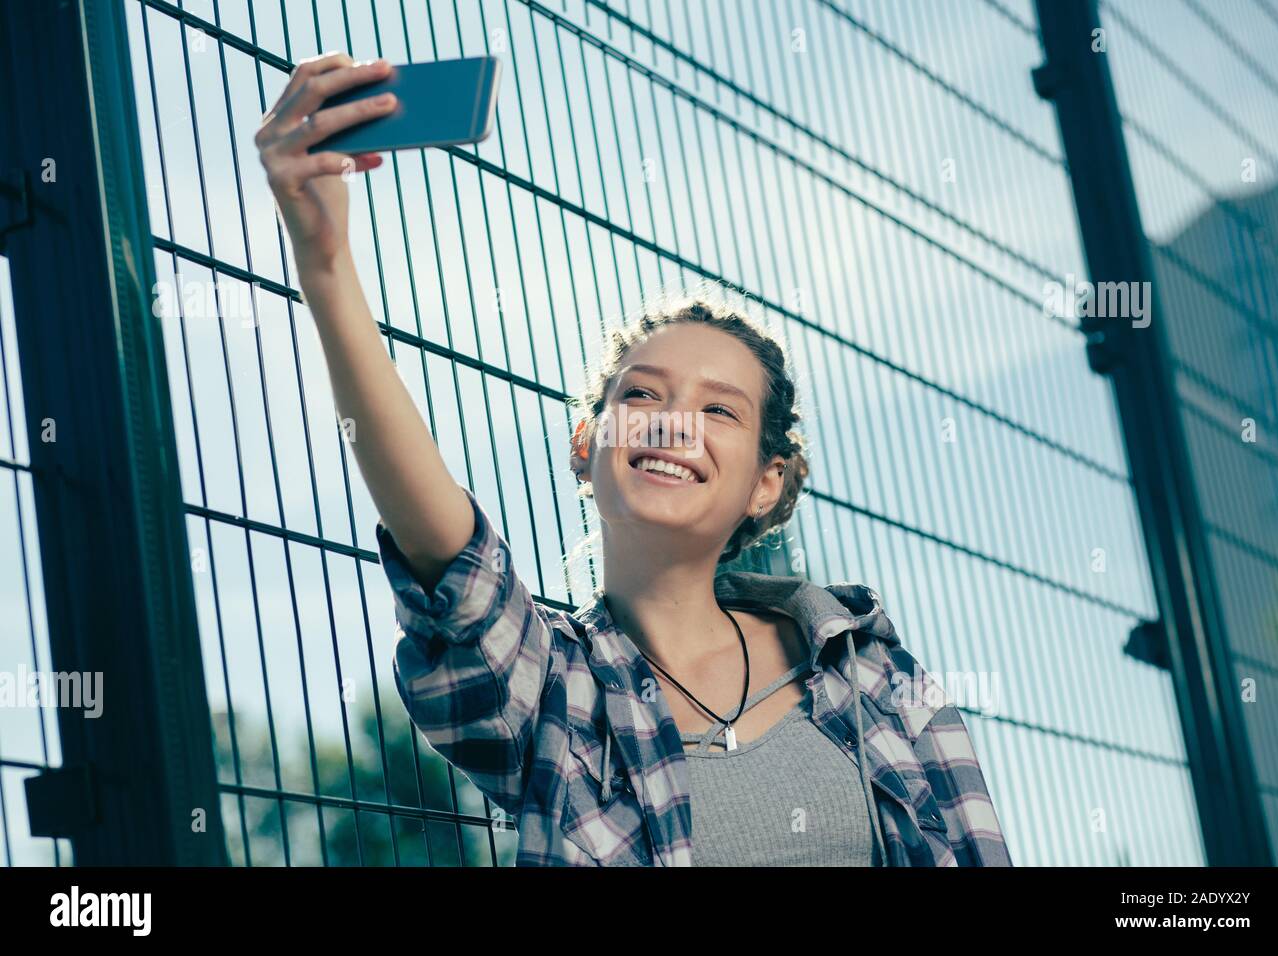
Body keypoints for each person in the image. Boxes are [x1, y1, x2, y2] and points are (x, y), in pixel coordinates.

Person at [255, 52, 1013, 867]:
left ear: (768, 483)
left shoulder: (868, 669)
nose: (674, 424)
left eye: (718, 409)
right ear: (588, 450)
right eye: (643, 397)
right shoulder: (552, 692)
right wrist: (325, 264)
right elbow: (449, 555)